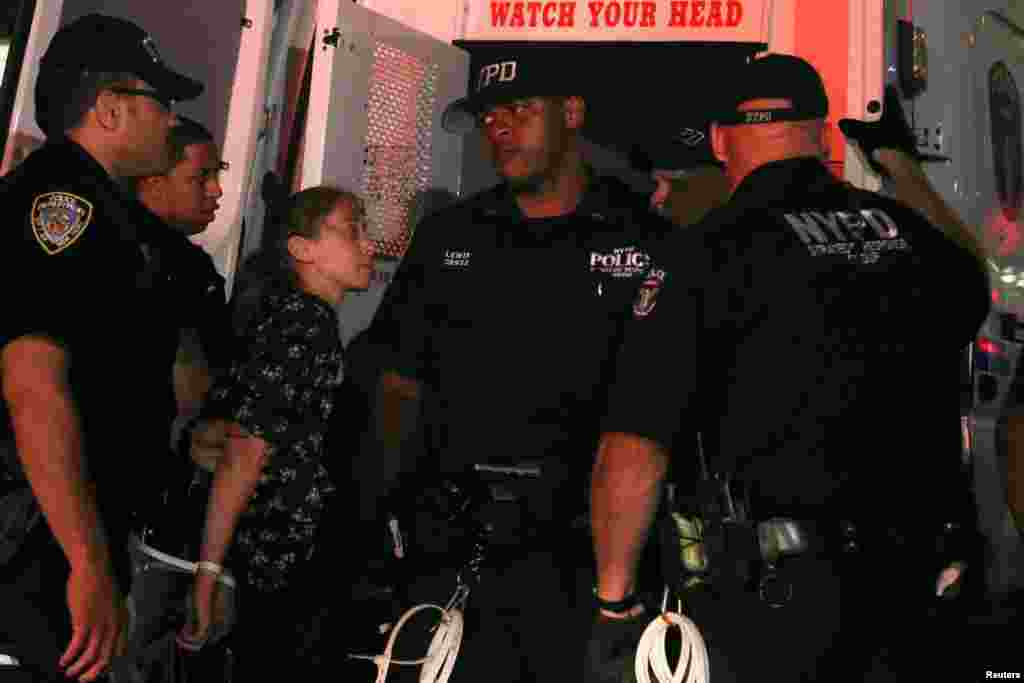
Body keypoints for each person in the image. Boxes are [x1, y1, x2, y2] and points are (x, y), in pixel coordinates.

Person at [585, 56, 992, 682]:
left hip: (779, 604)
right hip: (917, 587)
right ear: (822, 135)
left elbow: (635, 446)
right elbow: (972, 276)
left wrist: (614, 608)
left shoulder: (703, 255)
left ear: (722, 141)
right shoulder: (910, 236)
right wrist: (901, 170)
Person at [357, 47, 674, 682]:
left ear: (573, 113)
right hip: (454, 547)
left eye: (519, 109)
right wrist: (379, 521)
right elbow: (398, 384)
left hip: (587, 555)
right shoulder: (450, 237)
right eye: (488, 116)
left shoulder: (644, 238)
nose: (499, 128)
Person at [0, 14, 201, 683]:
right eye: (161, 102)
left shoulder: (112, 215)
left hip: (62, 536)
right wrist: (86, 561)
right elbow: (34, 384)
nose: (173, 119)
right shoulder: (62, 206)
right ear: (111, 109)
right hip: (34, 547)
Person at [176, 187, 375, 677]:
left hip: (283, 566)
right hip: (274, 571)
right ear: (302, 248)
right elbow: (246, 452)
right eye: (352, 230)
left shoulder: (304, 321)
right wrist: (208, 574)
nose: (369, 245)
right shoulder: (302, 325)